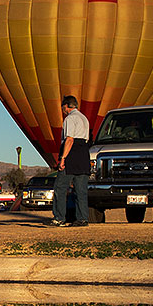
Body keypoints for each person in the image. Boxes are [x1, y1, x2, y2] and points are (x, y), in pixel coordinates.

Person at [52, 95, 91, 227]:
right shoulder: (84, 118)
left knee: (60, 187)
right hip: (83, 155)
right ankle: (82, 218)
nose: (62, 110)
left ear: (66, 106)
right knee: (81, 190)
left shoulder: (70, 118)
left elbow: (69, 139)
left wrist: (63, 159)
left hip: (71, 155)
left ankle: (59, 218)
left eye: (63, 107)